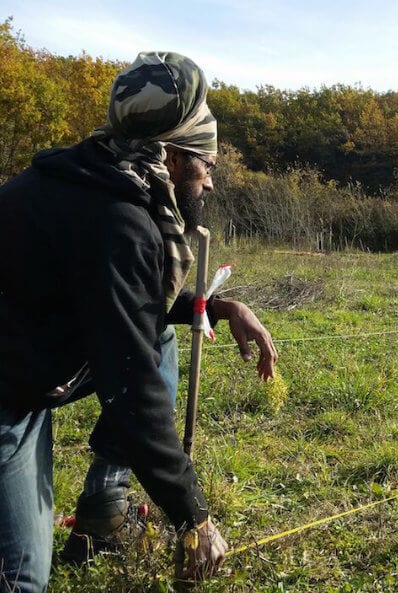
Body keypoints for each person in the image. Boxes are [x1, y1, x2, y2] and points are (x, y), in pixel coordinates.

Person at [0, 52, 278, 592]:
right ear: (172, 157)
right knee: (20, 578)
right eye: (208, 165)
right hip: (9, 396)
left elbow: (118, 304)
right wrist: (193, 515)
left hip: (27, 369)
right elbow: (130, 381)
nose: (211, 185)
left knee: (165, 334)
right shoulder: (117, 220)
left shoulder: (92, 183)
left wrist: (218, 306)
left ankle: (104, 506)